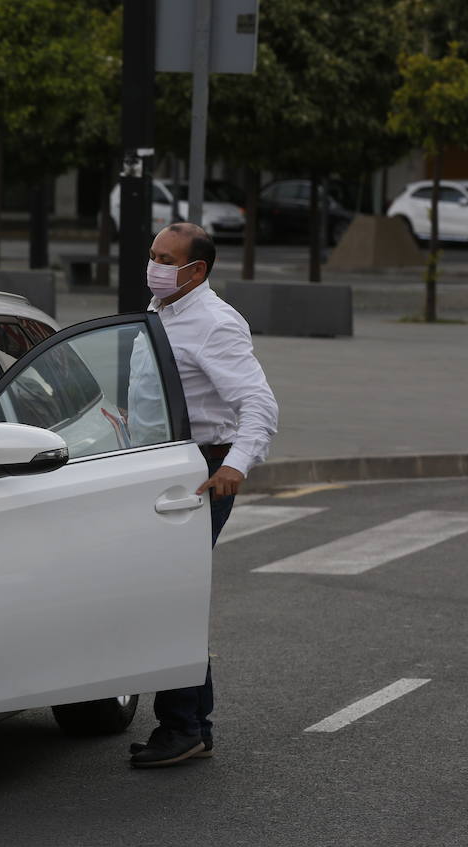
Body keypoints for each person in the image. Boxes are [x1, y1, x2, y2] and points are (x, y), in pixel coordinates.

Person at [127, 221, 279, 768]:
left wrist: (234, 466)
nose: (155, 266)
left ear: (197, 270)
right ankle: (191, 723)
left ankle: (184, 726)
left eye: (166, 259)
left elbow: (260, 405)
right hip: (152, 467)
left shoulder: (214, 324)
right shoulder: (161, 309)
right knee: (169, 594)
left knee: (171, 596)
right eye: (153, 255)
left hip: (197, 473)